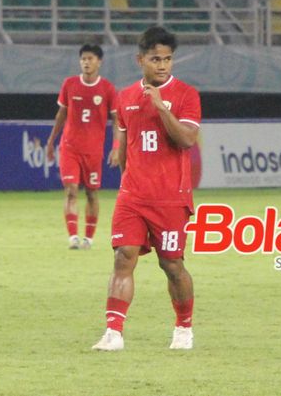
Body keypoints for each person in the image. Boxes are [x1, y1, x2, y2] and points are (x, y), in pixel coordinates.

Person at [91, 26, 201, 351]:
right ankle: (113, 333)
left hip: (170, 198)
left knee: (172, 264)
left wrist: (162, 107)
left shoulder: (186, 95)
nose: (163, 65)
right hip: (133, 196)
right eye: (156, 59)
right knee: (123, 257)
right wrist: (126, 182)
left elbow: (186, 140)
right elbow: (125, 146)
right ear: (141, 59)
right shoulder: (125, 98)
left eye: (168, 59)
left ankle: (184, 327)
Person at [46, 44, 119, 250]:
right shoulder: (69, 84)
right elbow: (61, 115)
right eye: (83, 59)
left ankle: (88, 237)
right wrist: (52, 141)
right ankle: (73, 238)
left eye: (90, 59)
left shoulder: (107, 89)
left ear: (99, 62)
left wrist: (115, 147)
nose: (86, 62)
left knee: (92, 193)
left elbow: (117, 121)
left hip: (93, 151)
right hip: (70, 147)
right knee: (70, 190)